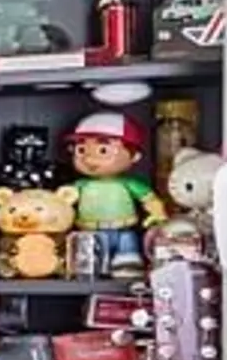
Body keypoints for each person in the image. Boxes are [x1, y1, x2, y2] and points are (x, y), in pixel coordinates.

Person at [66, 110, 164, 279]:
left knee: (127, 247)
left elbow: (148, 198)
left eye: (103, 150)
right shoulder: (81, 185)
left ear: (135, 156)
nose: (89, 159)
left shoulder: (128, 183)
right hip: (89, 233)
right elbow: (63, 201)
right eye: (81, 150)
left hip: (123, 230)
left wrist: (157, 214)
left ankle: (127, 264)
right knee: (88, 264)